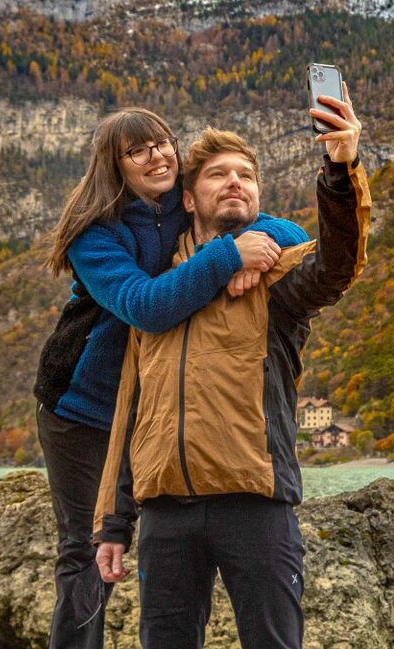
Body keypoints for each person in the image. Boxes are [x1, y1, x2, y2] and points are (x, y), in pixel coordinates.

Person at [92, 90, 369, 649]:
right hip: (165, 513)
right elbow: (132, 411)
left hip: (256, 505)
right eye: (219, 175)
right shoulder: (155, 292)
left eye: (246, 174)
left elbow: (339, 262)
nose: (236, 181)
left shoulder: (278, 280)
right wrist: (113, 524)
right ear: (188, 200)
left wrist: (342, 170)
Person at [35, 107, 309, 649]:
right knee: (86, 555)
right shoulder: (96, 236)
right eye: (137, 151)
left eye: (162, 143)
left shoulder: (183, 214)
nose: (156, 155)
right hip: (83, 410)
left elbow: (278, 227)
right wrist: (229, 256)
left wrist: (248, 255)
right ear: (115, 167)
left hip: (154, 408)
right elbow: (145, 307)